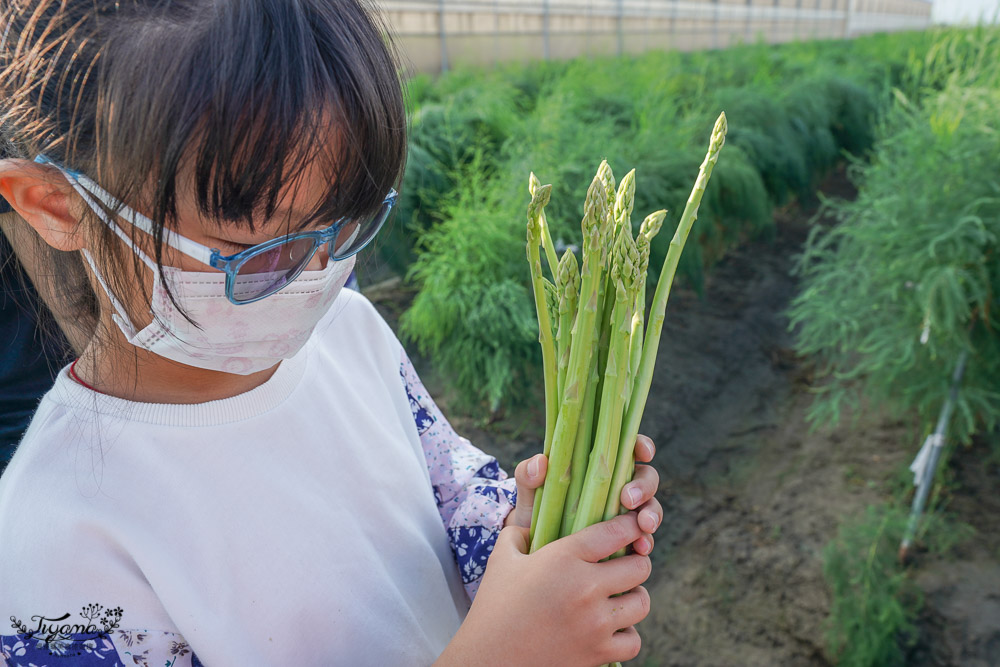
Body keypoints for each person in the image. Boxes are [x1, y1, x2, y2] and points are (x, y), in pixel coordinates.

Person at [0, 2, 663, 666]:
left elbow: (446, 492)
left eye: (342, 227)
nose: (316, 277)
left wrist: (534, 533)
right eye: (257, 252)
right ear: (59, 206)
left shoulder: (351, 331)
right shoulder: (52, 553)